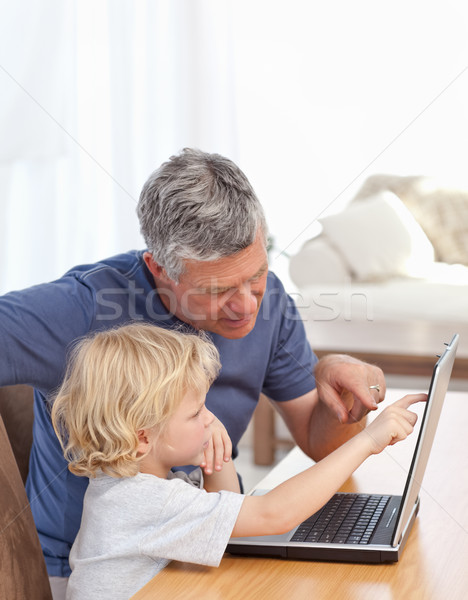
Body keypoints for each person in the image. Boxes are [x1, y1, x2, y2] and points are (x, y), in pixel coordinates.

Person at [0, 148, 385, 597]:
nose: (247, 305)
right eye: (217, 290)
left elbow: (320, 442)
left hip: (199, 546)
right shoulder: (81, 308)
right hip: (90, 572)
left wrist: (347, 397)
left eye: (256, 274)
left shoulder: (270, 302)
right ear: (158, 269)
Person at [51, 322, 425, 600]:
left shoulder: (142, 485)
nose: (211, 418)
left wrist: (216, 452)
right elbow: (271, 514)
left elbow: (229, 520)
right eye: (197, 412)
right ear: (142, 438)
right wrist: (367, 440)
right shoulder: (141, 501)